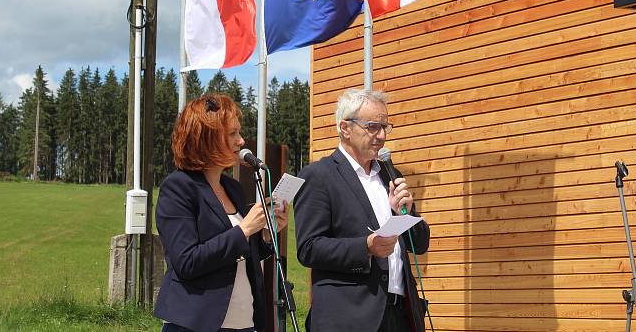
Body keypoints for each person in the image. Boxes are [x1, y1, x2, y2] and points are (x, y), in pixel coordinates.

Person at [294, 89, 430, 332]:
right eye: (372, 127)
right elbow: (308, 248)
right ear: (345, 128)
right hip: (350, 318)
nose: (380, 136)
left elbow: (419, 244)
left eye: (385, 127)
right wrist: (365, 247)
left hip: (401, 313)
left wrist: (409, 213)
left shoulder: (391, 175)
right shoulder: (319, 176)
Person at [154, 94, 289, 332]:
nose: (241, 140)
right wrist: (245, 228)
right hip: (196, 324)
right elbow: (186, 262)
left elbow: (238, 254)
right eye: (232, 134)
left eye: (239, 132)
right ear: (206, 139)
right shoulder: (178, 188)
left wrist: (266, 235)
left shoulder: (232, 188)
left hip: (243, 323)